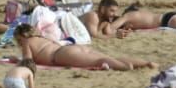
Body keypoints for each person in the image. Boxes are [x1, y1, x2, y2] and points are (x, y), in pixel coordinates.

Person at [14, 23, 154, 71]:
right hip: (71, 48)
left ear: (22, 37)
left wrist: (16, 60)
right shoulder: (42, 38)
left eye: (18, 40)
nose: (19, 44)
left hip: (61, 55)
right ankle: (146, 63)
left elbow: (28, 62)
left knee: (101, 61)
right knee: (108, 58)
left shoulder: (27, 42)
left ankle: (126, 68)